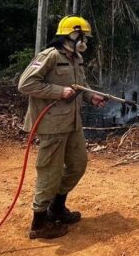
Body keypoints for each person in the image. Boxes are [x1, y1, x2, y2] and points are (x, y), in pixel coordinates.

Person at [18, 15, 106, 239]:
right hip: (52, 124)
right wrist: (59, 92)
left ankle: (56, 209)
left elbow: (79, 86)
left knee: (78, 165)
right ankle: (39, 223)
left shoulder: (76, 58)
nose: (85, 40)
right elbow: (26, 84)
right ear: (71, 34)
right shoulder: (49, 56)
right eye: (82, 35)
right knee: (50, 172)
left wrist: (90, 97)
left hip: (72, 123)